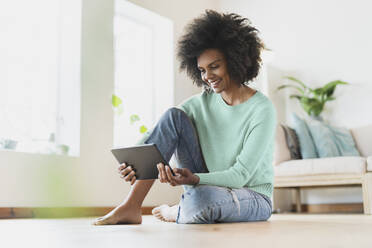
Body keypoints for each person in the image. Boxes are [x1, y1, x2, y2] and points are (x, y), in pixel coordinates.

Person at [93, 10, 276, 225]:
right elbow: (163, 130)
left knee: (203, 200)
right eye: (201, 70)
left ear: (236, 60)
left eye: (214, 66)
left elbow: (240, 175)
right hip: (208, 186)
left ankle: (177, 211)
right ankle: (131, 206)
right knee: (173, 116)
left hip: (252, 195)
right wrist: (133, 162)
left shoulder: (262, 108)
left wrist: (195, 179)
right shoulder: (200, 103)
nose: (207, 77)